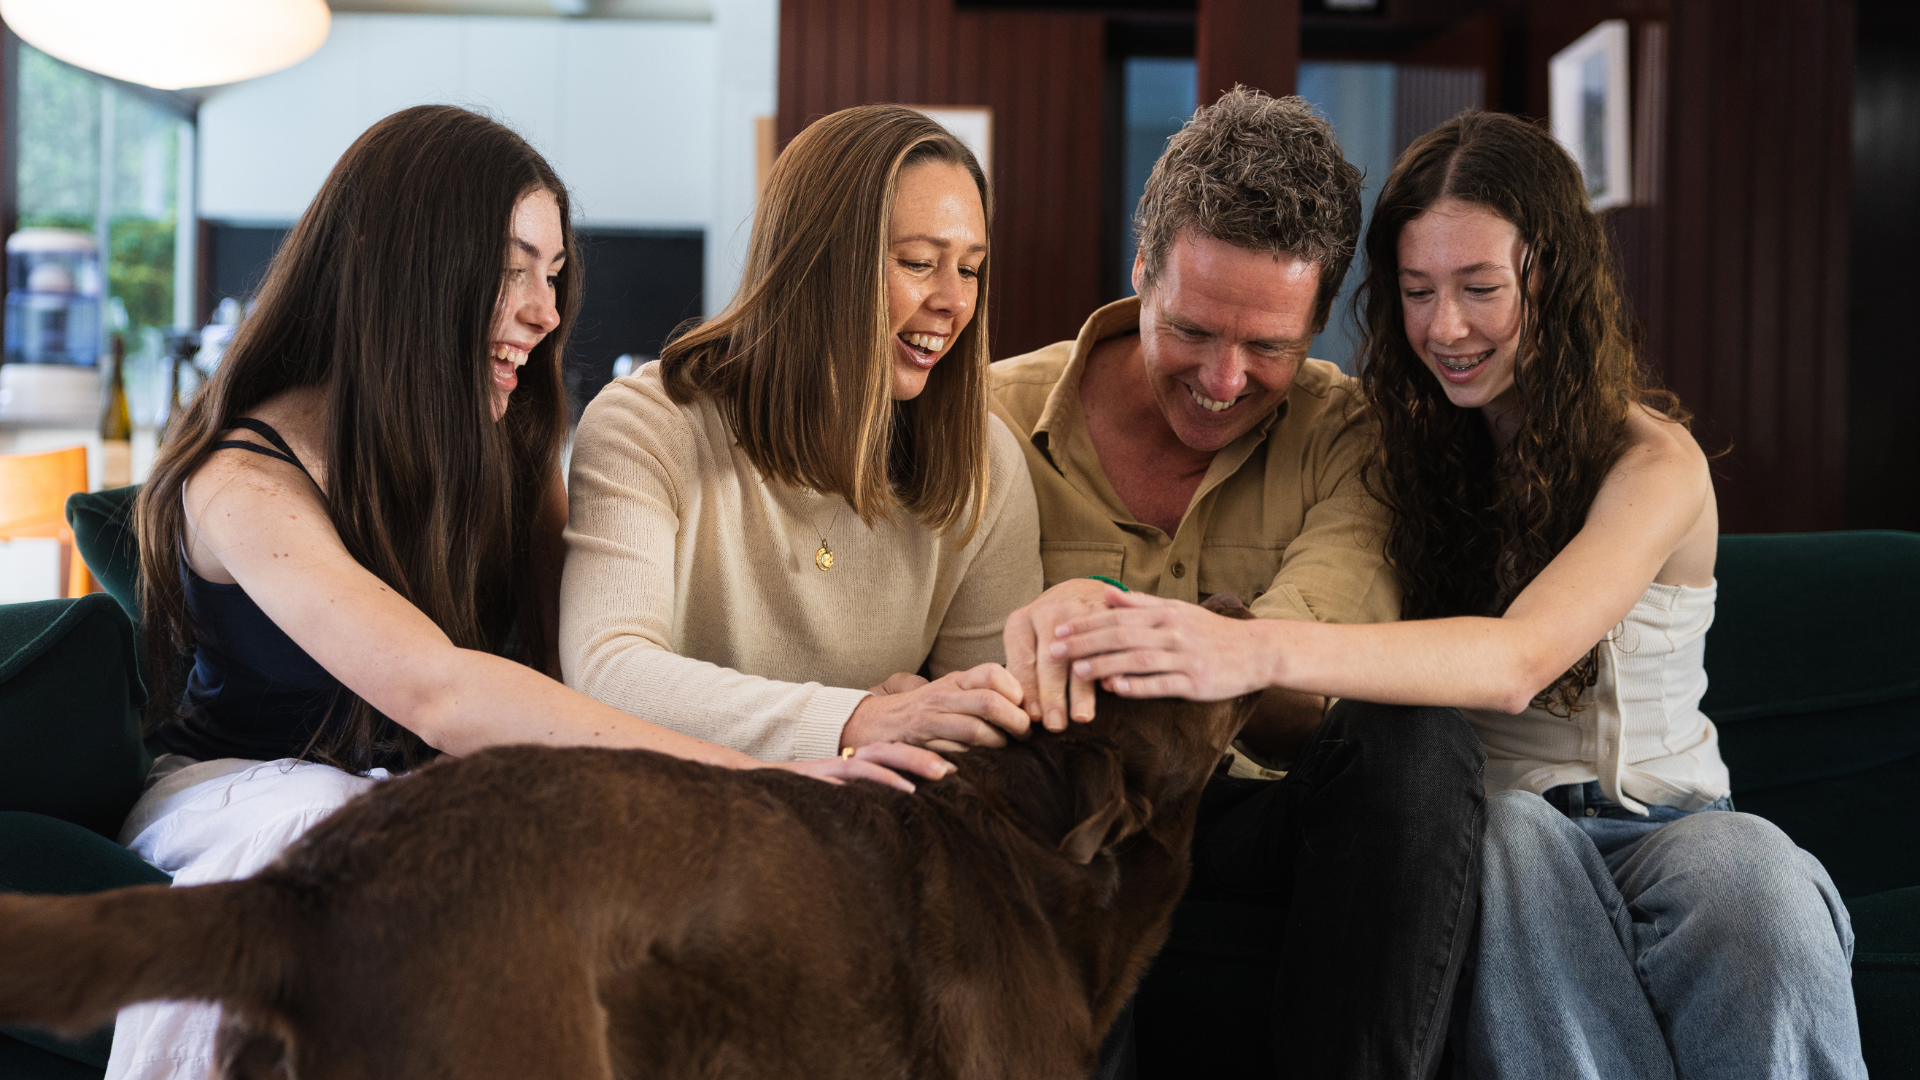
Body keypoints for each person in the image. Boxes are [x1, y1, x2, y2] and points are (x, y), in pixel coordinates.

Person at [115, 105, 946, 1080]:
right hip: (244, 797)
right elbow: (438, 690)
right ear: (396, 261)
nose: (546, 311)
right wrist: (747, 772)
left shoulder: (507, 451)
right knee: (359, 843)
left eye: (552, 275)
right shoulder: (242, 481)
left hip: (422, 794)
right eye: (513, 268)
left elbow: (585, 667)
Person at [1053, 111, 1866, 1079]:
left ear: (1552, 279)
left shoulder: (1652, 462)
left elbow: (1519, 661)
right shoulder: (1397, 451)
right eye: (1416, 292)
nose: (1447, 327)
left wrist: (1250, 647)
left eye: (1481, 289)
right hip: (1494, 834)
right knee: (1510, 835)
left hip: (1666, 825)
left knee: (1758, 871)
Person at [993, 88, 1485, 1077]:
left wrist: (1135, 645)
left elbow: (1319, 675)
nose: (1223, 381)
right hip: (1058, 821)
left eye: (1268, 347)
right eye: (1193, 331)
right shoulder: (990, 418)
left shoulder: (1348, 435)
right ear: (1142, 274)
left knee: (1416, 743)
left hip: (1261, 821)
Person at [559, 104, 1043, 763]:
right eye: (920, 263)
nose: (955, 303)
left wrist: (939, 709)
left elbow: (990, 736)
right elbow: (609, 671)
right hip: (674, 828)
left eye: (969, 268)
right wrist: (860, 719)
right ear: (818, 264)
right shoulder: (648, 425)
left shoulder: (986, 461)